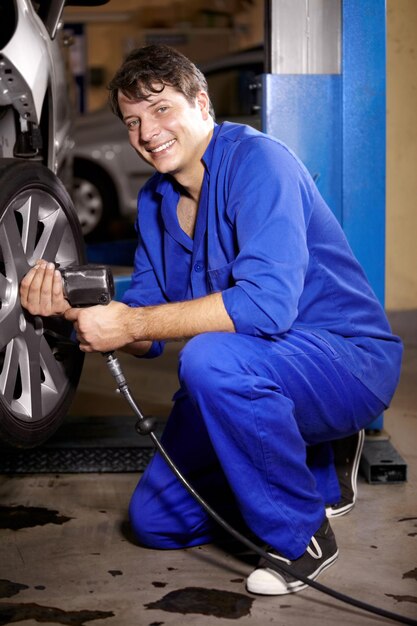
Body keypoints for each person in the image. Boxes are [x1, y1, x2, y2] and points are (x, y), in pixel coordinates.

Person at [20, 44, 403, 596]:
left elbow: (265, 307)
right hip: (257, 365)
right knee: (155, 521)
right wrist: (73, 312)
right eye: (132, 121)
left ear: (202, 103)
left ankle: (302, 535)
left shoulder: (259, 163)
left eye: (161, 109)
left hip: (345, 360)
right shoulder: (155, 202)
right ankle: (310, 460)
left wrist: (132, 325)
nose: (147, 131)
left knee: (208, 358)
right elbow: (146, 334)